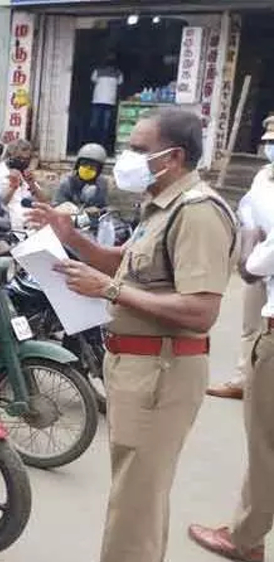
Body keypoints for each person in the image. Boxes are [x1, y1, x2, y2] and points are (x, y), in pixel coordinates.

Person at [27, 107, 237, 562]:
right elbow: (121, 262)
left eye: (140, 149)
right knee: (137, 496)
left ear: (173, 156)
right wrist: (71, 237)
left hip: (162, 371)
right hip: (135, 366)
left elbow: (202, 310)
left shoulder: (198, 213)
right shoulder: (159, 207)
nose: (126, 157)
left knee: (135, 504)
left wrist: (109, 290)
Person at [185, 116, 274, 562]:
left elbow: (255, 265)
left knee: (266, 445)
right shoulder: (262, 180)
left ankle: (245, 538)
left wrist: (250, 251)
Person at [207, 116, 274, 401]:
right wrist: (249, 242)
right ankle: (243, 381)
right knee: (251, 325)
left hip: (265, 259)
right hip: (258, 258)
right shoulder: (263, 176)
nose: (270, 147)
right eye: (268, 142)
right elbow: (248, 209)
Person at [0, 138, 46, 229]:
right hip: (11, 223)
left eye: (26, 159)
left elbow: (44, 201)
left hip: (31, 223)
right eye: (19, 158)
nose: (22, 162)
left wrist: (32, 184)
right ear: (9, 156)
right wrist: (13, 187)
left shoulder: (25, 172)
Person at [54, 142, 110, 210]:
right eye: (85, 164)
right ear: (78, 165)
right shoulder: (67, 183)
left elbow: (104, 206)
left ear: (99, 170)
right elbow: (57, 207)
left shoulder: (101, 183)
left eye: (93, 167)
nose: (87, 169)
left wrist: (98, 210)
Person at [90, 54, 124, 147]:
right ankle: (103, 144)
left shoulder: (97, 71)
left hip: (97, 100)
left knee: (94, 124)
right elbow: (120, 87)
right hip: (110, 102)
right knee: (106, 125)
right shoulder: (118, 73)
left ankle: (93, 143)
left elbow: (92, 82)